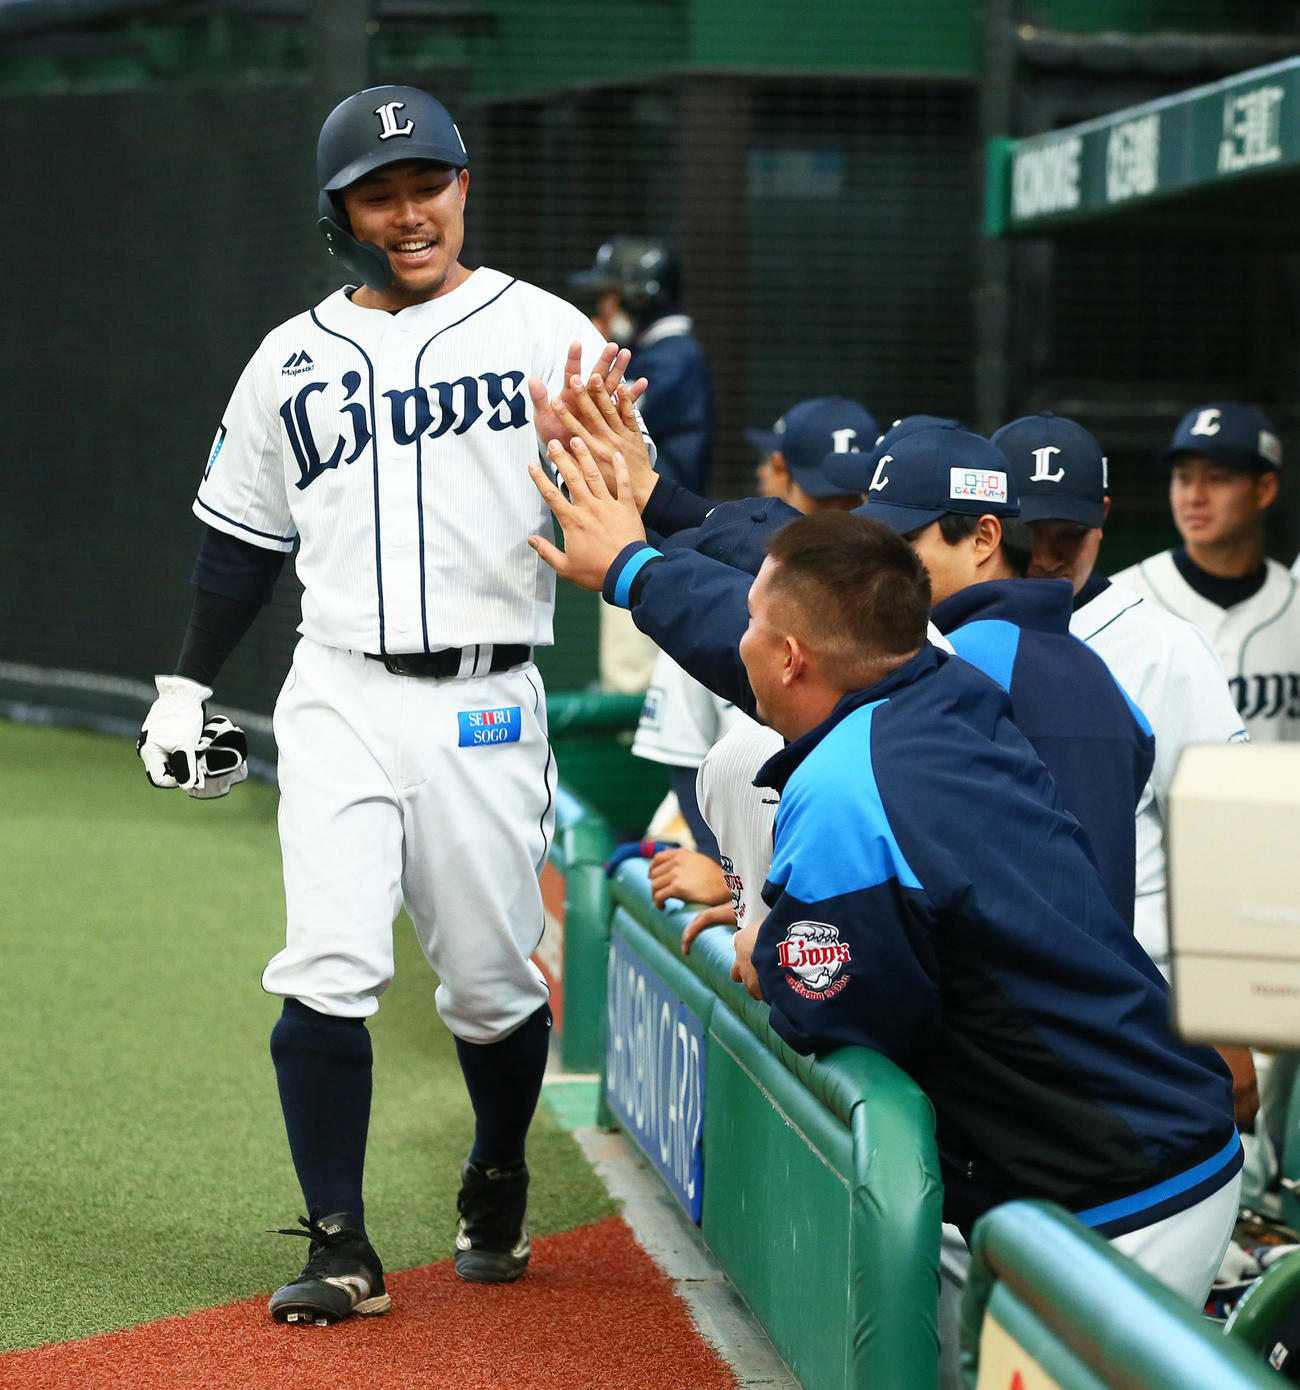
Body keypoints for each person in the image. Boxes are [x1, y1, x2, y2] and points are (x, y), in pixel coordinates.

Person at [135, 83, 638, 1325]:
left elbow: (628, 498)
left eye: (428, 184)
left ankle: (498, 1166)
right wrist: (186, 683)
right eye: (379, 195)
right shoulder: (288, 359)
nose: (409, 213)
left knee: (490, 984)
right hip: (339, 690)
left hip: (486, 698)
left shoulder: (546, 330)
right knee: (328, 959)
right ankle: (339, 1240)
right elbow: (240, 543)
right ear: (340, 214)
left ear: (462, 186)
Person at [530, 456, 1241, 1304]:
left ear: (791, 659)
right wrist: (639, 562)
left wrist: (771, 949)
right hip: (1147, 1134)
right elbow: (795, 610)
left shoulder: (847, 785)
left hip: (1119, 1192)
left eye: (754, 624)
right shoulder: (941, 686)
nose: (740, 636)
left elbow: (838, 1011)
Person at [988, 412, 1248, 981]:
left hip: (1142, 978)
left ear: (1102, 517)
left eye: (1069, 533)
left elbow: (1228, 832)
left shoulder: (1166, 647)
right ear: (989, 527)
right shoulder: (946, 638)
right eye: (1031, 532)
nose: (1048, 556)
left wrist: (1221, 991)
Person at [631, 398, 874, 897]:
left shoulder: (714, 589)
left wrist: (730, 878)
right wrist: (729, 869)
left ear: (780, 468)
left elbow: (684, 753)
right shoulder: (896, 591)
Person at [1112, 401, 1300, 743]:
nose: (1194, 497)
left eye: (1217, 478)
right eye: (1183, 477)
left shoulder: (1294, 603)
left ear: (1264, 490)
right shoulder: (1122, 601)